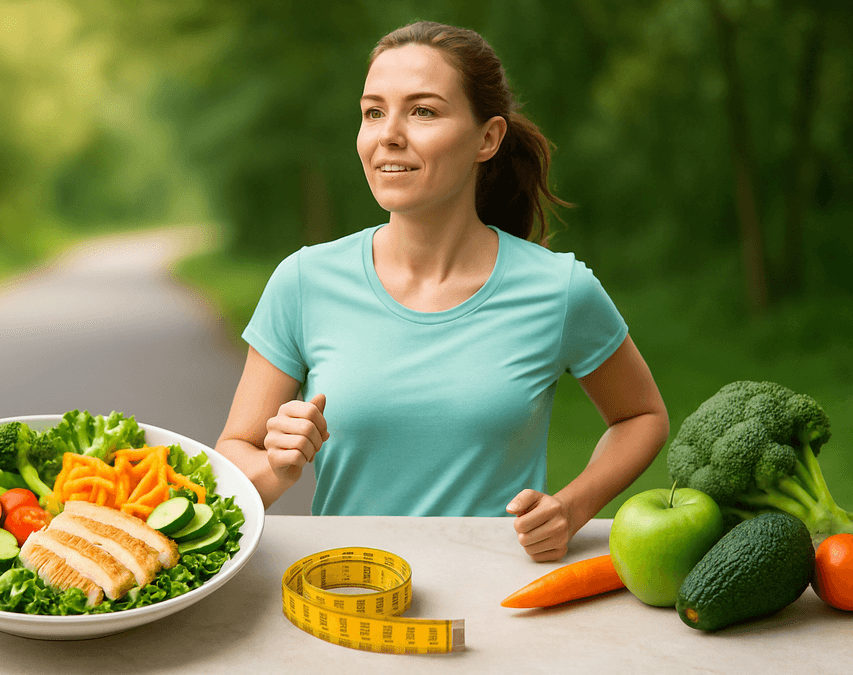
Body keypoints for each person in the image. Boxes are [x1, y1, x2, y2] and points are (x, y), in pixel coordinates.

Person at [215, 21, 669, 562]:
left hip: (502, 603)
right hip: (350, 597)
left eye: (423, 111)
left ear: (488, 138)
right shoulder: (304, 281)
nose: (389, 134)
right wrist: (277, 468)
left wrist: (571, 508)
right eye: (373, 111)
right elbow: (233, 455)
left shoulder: (558, 288)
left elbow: (642, 418)